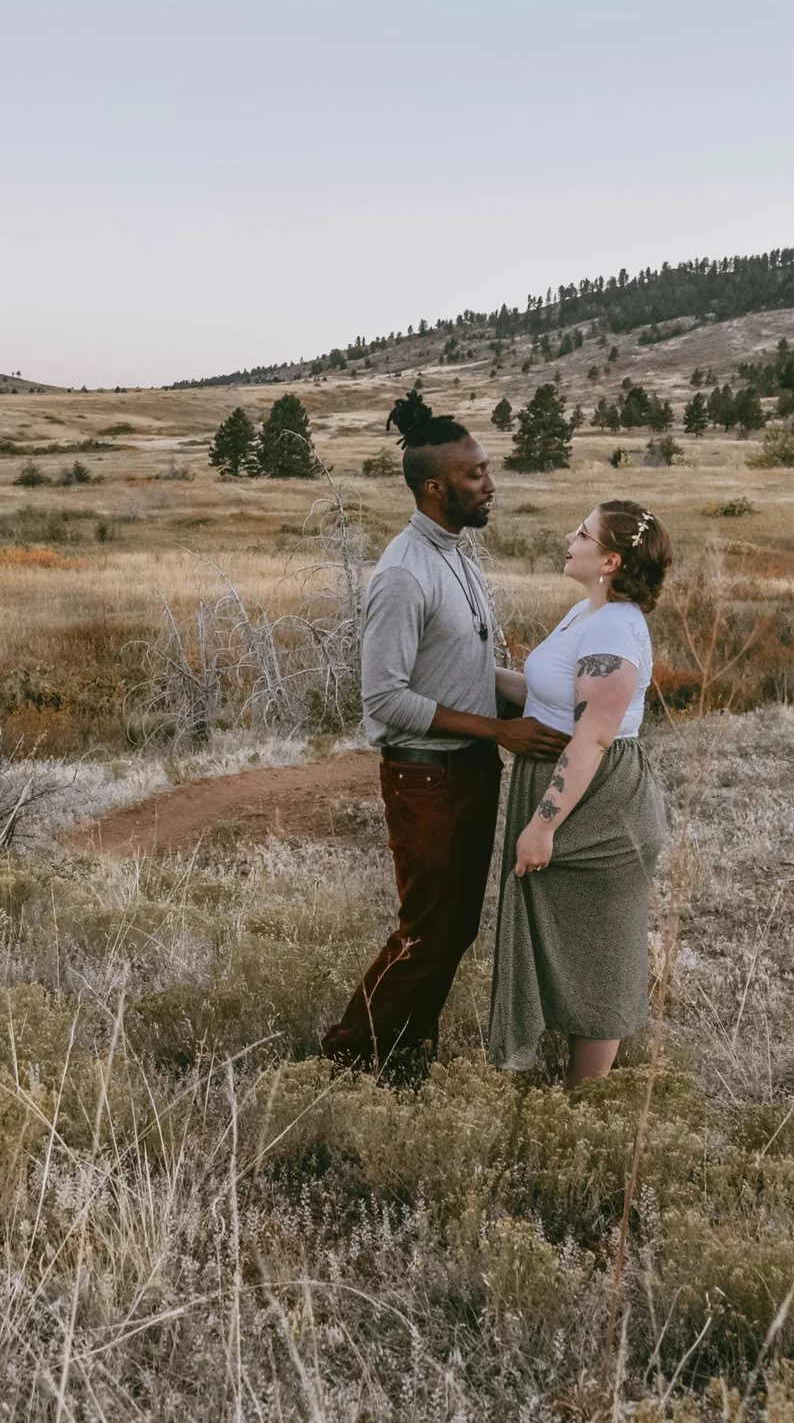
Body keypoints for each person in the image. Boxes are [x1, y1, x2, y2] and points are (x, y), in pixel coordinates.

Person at [322, 391, 569, 1076]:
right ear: (436, 487)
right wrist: (499, 728)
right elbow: (386, 697)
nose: (490, 484)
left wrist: (555, 700)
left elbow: (470, 664)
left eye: (486, 470)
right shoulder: (403, 573)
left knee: (453, 928)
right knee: (428, 929)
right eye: (475, 474)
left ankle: (402, 1054)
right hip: (426, 775)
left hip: (470, 768)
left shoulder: (457, 552)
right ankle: (348, 1058)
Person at [487, 499, 672, 1088]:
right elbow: (545, 695)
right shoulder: (585, 612)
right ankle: (565, 1084)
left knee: (601, 950)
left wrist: (542, 825)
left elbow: (591, 738)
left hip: (600, 806)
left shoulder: (615, 632)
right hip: (569, 790)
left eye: (584, 532)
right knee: (568, 937)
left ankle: (583, 1099)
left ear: (610, 560)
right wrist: (471, 669)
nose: (571, 536)